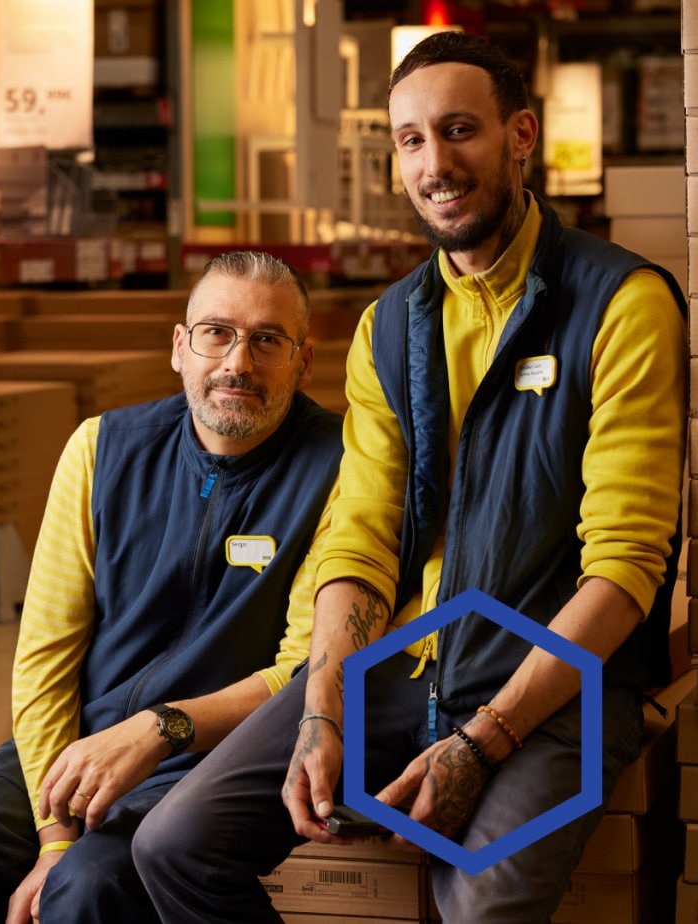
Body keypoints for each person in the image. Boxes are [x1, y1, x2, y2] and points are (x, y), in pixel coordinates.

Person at [131, 31, 688, 924]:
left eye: (459, 130)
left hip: (560, 682)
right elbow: (357, 534)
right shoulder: (390, 326)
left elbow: (625, 566)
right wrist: (320, 708)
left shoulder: (620, 304)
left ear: (520, 135)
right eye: (411, 140)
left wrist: (483, 738)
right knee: (174, 844)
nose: (436, 163)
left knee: (481, 907)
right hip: (404, 663)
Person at [0, 250, 344, 923]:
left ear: (303, 362)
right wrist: (53, 836)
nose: (237, 362)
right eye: (216, 333)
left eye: (266, 340)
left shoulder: (339, 470)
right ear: (180, 347)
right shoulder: (100, 449)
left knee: (86, 889)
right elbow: (45, 657)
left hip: (211, 756)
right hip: (77, 739)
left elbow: (305, 667)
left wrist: (159, 728)